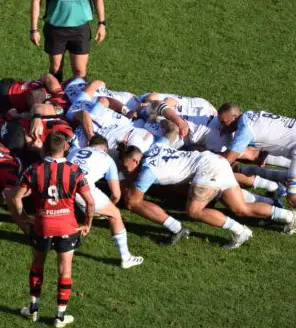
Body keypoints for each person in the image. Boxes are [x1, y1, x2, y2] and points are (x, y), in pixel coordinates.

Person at [121, 144, 296, 249]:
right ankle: (289, 216)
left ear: (135, 161)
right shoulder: (155, 148)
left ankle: (240, 231)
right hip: (215, 161)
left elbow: (135, 201)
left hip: (207, 170)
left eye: (124, 165)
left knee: (194, 211)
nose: (124, 169)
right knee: (241, 208)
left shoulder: (147, 171)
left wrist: (124, 186)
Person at [6, 131, 94, 328]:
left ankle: (33, 310)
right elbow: (90, 203)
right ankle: (60, 317)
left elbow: (15, 197)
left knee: (37, 265)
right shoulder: (75, 170)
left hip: (43, 225)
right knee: (65, 270)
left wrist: (23, 217)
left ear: (45, 148)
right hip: (68, 226)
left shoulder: (34, 169)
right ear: (65, 148)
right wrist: (87, 223)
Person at [67, 135, 143, 268]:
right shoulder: (107, 159)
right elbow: (116, 194)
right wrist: (108, 209)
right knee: (115, 214)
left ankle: (58, 241)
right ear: (105, 149)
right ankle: (126, 258)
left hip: (61, 187)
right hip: (83, 189)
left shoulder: (74, 151)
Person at [218, 103, 296, 208]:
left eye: (224, 122)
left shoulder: (245, 129)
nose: (222, 126)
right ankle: (275, 189)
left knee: (292, 196)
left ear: (235, 116)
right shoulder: (248, 114)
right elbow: (270, 130)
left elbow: (226, 161)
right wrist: (262, 155)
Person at [30, 0, 106, 81]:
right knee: (55, 69)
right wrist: (34, 30)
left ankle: (79, 95)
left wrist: (102, 24)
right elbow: (36, 0)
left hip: (80, 30)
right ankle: (56, 95)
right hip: (55, 30)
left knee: (80, 71)